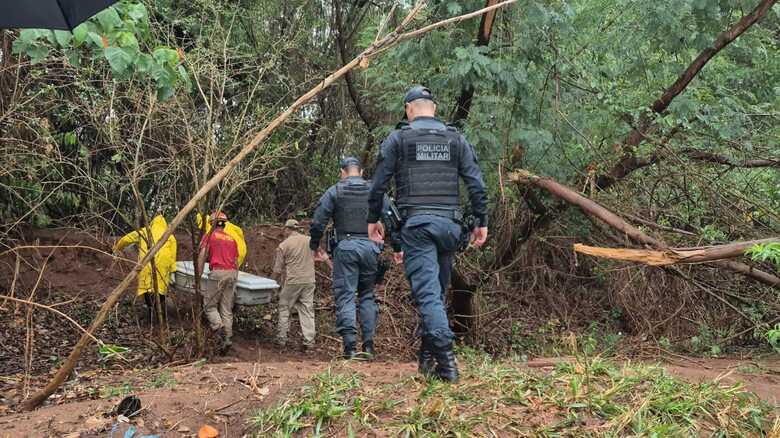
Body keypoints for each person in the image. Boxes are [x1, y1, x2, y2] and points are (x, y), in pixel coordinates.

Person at [367, 85, 489, 383]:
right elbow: (476, 184)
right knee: (435, 292)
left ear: (409, 109)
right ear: (433, 109)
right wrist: (481, 221)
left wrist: (372, 220)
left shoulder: (398, 139)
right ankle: (426, 360)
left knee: (428, 296)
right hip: (450, 228)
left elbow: (378, 186)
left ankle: (447, 366)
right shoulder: (456, 139)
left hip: (419, 228)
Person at [309, 157, 384, 360]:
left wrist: (315, 246)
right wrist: (397, 246)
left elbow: (318, 221)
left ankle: (350, 348)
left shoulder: (335, 190)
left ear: (343, 172)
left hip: (346, 247)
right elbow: (390, 215)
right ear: (361, 172)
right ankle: (368, 346)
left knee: (347, 295)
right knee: (367, 295)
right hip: (371, 248)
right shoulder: (374, 190)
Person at [113, 214, 177, 325]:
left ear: (152, 223)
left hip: (146, 265)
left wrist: (117, 248)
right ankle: (160, 316)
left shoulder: (145, 232)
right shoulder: (170, 236)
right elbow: (173, 257)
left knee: (147, 289)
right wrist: (172, 272)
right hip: (163, 268)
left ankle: (151, 313)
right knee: (160, 290)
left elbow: (127, 238)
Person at [272, 219, 317, 351]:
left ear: (287, 229)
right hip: (309, 280)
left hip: (293, 281)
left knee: (284, 308)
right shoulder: (309, 240)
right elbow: (318, 254)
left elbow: (277, 270)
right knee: (307, 310)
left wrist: (270, 283)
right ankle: (309, 342)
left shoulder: (284, 245)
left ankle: (281, 340)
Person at [198, 211, 239, 353]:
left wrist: (198, 275)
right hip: (232, 273)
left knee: (209, 306)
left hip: (218, 273)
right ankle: (228, 337)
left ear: (212, 223)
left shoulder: (209, 236)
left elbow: (202, 256)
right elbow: (236, 261)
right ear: (224, 224)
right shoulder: (232, 239)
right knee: (226, 309)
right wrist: (234, 279)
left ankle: (218, 328)